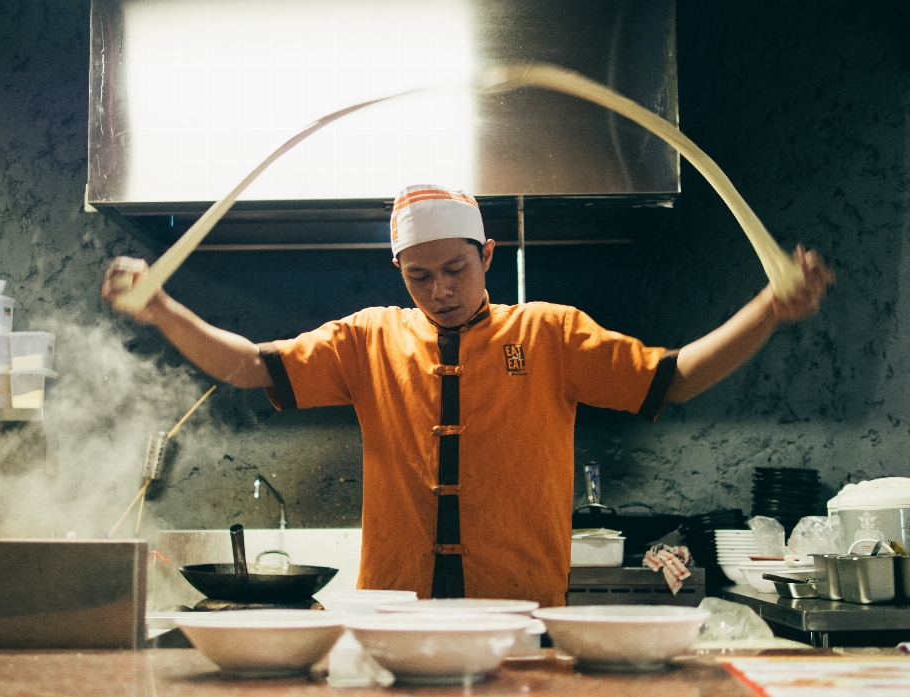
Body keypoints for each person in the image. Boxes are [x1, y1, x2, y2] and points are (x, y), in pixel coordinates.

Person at [102, 184, 834, 607]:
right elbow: (251, 367)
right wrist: (164, 310)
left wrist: (769, 309)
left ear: (489, 255)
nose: (440, 290)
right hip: (396, 613)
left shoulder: (548, 334)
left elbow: (675, 378)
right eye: (418, 276)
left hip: (521, 611)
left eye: (455, 268)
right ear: (399, 270)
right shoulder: (368, 338)